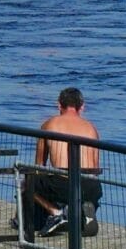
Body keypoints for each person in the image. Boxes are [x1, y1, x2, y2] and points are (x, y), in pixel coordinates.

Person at [27, 88, 101, 237]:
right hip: (93, 187)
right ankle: (85, 207)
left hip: (63, 184)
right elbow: (95, 167)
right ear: (82, 107)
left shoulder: (49, 124)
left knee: (28, 182)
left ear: (59, 105)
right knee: (80, 183)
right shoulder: (92, 128)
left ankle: (57, 213)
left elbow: (39, 165)